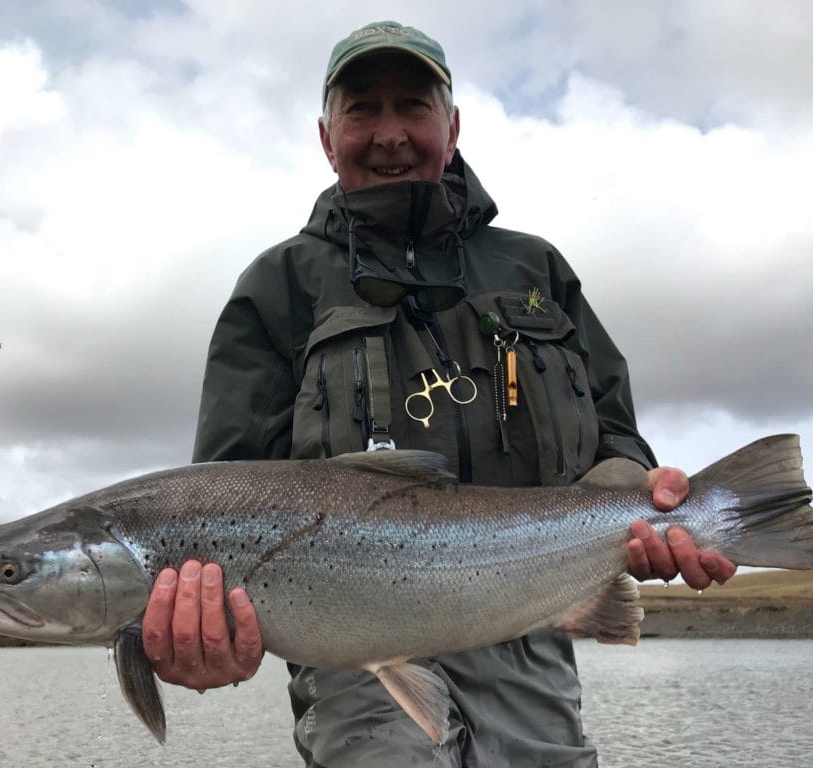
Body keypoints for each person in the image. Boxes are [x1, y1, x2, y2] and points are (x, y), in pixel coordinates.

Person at [141, 20, 737, 767]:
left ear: (451, 128)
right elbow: (218, 497)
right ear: (326, 138)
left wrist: (656, 502)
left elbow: (616, 440)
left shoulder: (536, 269)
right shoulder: (278, 286)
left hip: (529, 621)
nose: (389, 134)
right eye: (361, 110)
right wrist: (203, 628)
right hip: (350, 651)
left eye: (413, 107)